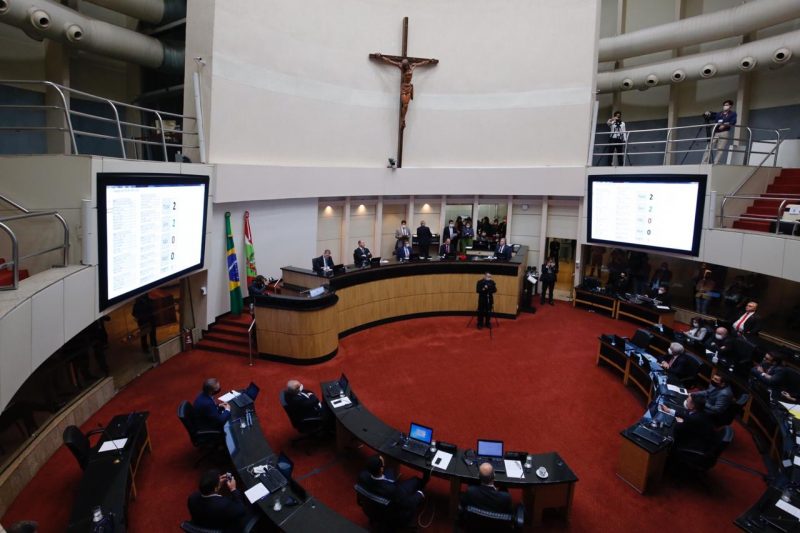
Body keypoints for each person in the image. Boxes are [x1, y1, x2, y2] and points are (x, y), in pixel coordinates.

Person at [369, 54, 438, 130]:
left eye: (406, 65)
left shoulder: (413, 66)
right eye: (404, 66)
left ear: (408, 64)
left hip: (409, 87)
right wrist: (381, 57)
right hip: (404, 88)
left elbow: (422, 63)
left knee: (405, 105)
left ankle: (403, 119)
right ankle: (403, 119)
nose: (405, 67)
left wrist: (430, 61)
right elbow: (390, 61)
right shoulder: (401, 67)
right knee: (404, 104)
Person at [358, 454, 427, 524]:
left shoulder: (362, 476)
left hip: (370, 511)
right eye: (383, 463)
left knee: (390, 471)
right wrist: (419, 494)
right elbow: (408, 504)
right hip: (392, 517)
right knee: (416, 481)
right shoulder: (392, 489)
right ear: (381, 469)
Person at [187, 469, 253, 532]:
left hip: (205, 523)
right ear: (215, 488)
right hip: (225, 528)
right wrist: (233, 489)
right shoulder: (224, 505)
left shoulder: (192, 498)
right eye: (219, 480)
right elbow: (241, 509)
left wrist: (217, 483)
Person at [702, 99, 737, 164]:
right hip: (716, 132)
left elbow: (733, 122)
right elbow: (713, 115)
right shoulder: (719, 114)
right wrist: (708, 113)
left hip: (724, 132)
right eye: (724, 105)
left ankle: (716, 162)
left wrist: (725, 125)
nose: (725, 106)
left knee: (720, 149)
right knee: (709, 146)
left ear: (730, 106)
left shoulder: (733, 114)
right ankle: (704, 162)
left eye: (727, 105)